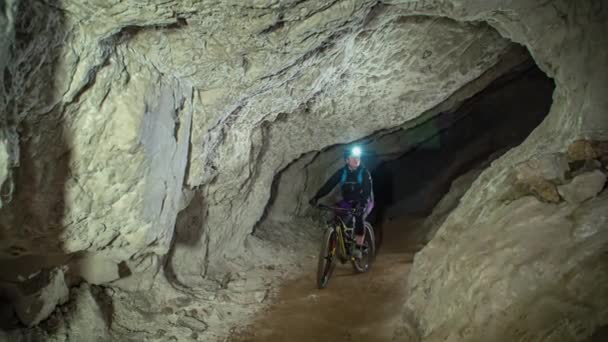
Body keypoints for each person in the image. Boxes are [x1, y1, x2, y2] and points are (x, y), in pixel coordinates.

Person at [309, 146, 374, 259]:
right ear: (346, 160)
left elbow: (367, 191)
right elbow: (329, 185)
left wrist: (362, 205)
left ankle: (358, 247)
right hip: (348, 201)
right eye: (353, 157)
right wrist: (317, 197)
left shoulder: (364, 173)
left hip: (365, 200)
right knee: (337, 214)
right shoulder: (342, 172)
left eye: (358, 157)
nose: (356, 159)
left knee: (359, 217)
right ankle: (340, 243)